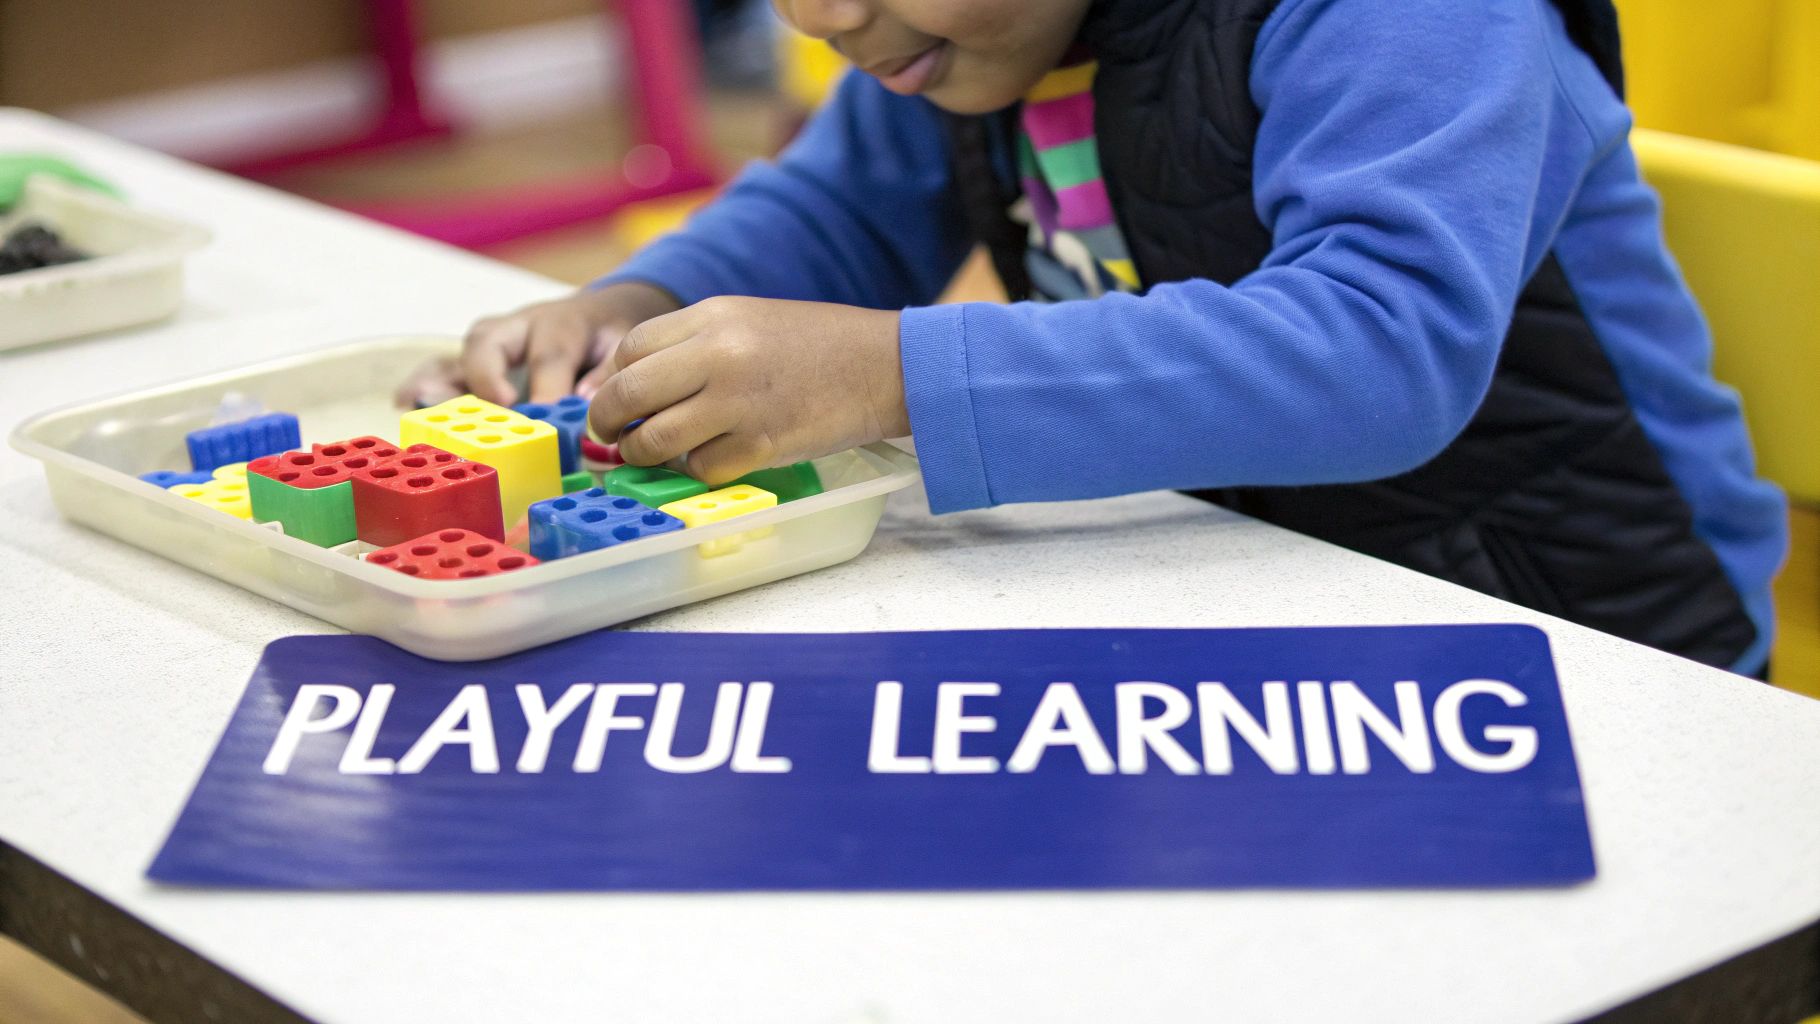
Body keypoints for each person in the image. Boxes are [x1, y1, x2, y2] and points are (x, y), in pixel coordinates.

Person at [416, 0, 1787, 676]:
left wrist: (892, 371)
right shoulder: (968, 33)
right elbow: (834, 214)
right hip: (1254, 578)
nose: (820, 16)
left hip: (1574, 622)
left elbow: (1385, 343)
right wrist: (641, 310)